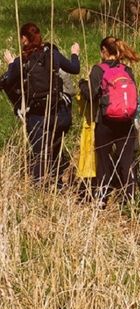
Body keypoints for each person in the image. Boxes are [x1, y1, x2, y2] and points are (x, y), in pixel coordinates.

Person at [3, 22, 80, 188]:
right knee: (54, 152)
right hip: (57, 113)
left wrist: (10, 63)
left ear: (24, 39)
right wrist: (75, 53)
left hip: (37, 116)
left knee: (40, 155)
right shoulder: (52, 54)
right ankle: (57, 185)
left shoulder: (21, 61)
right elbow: (75, 68)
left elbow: (8, 80)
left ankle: (39, 191)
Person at [79, 36, 140, 207]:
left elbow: (89, 95)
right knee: (127, 161)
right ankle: (130, 199)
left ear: (104, 51)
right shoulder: (127, 70)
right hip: (127, 121)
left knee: (103, 161)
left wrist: (82, 84)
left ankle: (101, 198)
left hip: (105, 122)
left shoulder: (99, 69)